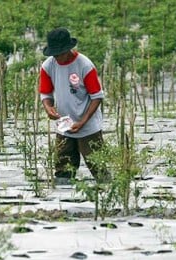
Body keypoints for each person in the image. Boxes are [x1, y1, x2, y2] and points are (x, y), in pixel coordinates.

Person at [39, 27, 107, 184]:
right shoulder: (48, 66)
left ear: (68, 50)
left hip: (88, 125)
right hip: (64, 125)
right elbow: (45, 93)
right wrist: (48, 108)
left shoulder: (84, 65)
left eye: (60, 54)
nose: (57, 58)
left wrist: (82, 122)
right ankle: (62, 205)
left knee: (98, 166)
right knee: (63, 169)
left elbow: (97, 97)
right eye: (54, 55)